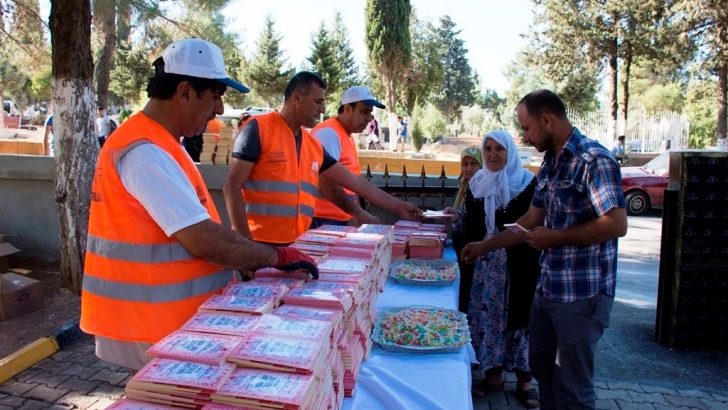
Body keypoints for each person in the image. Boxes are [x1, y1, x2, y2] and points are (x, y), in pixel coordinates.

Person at [80, 38, 318, 372]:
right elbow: (203, 238)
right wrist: (276, 256)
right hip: (151, 323)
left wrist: (243, 256)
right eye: (216, 96)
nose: (219, 110)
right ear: (185, 92)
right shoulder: (144, 151)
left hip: (169, 321)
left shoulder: (164, 144)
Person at [462, 90, 627, 410]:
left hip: (582, 293)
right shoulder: (551, 161)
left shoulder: (593, 160)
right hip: (549, 288)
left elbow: (616, 224)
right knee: (543, 370)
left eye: (526, 128)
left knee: (572, 384)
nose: (524, 136)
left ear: (546, 120)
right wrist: (485, 246)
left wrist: (555, 237)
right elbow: (530, 220)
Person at [223, 71, 422, 245]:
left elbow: (354, 182)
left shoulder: (311, 145)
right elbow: (231, 187)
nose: (322, 110)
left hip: (297, 245)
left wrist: (397, 206)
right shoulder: (258, 129)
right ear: (297, 98)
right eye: (318, 102)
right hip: (260, 245)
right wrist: (244, 244)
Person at [448, 131, 541, 407]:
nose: (492, 154)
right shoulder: (476, 182)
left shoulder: (527, 183)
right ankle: (493, 375)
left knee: (520, 318)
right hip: (486, 267)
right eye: (487, 149)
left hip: (519, 265)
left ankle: (526, 380)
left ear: (510, 151)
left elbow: (533, 222)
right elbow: (468, 216)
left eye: (499, 148)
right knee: (487, 317)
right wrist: (456, 216)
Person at [309, 86, 384, 229]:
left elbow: (354, 180)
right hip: (322, 220)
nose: (369, 119)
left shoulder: (344, 134)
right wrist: (358, 213)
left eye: (370, 113)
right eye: (364, 112)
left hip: (332, 218)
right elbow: (326, 182)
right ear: (348, 109)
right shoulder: (329, 133)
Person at [442, 146, 483, 314]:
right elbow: (464, 216)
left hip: (476, 250)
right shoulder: (464, 188)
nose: (469, 168)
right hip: (462, 247)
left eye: (474, 163)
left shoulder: (483, 189)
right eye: (465, 164)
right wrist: (455, 217)